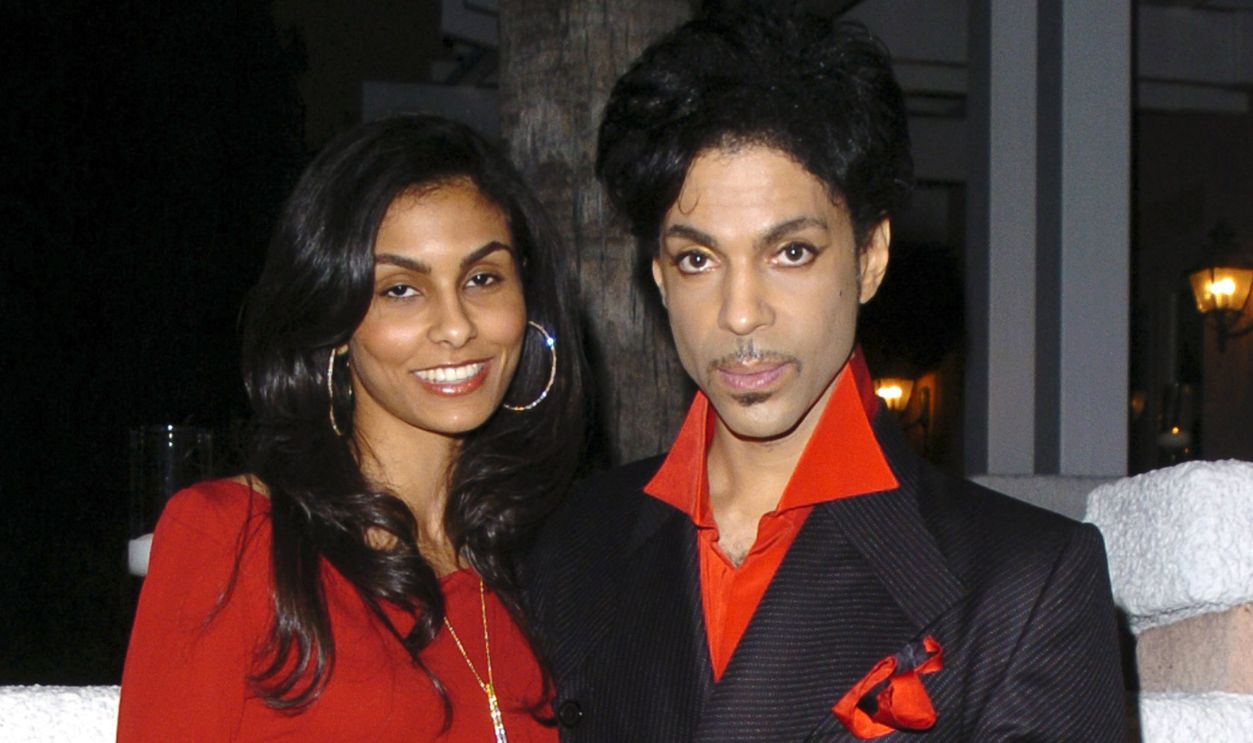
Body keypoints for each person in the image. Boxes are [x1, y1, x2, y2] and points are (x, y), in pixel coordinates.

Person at [524, 7, 1126, 742]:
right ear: (658, 277)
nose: (740, 313)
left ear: (869, 257)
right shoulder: (571, 541)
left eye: (792, 253)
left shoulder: (1024, 582)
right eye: (697, 259)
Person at [118, 114, 586, 741]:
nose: (455, 326)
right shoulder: (233, 539)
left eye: (482, 278)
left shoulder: (551, 556)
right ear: (335, 319)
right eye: (400, 289)